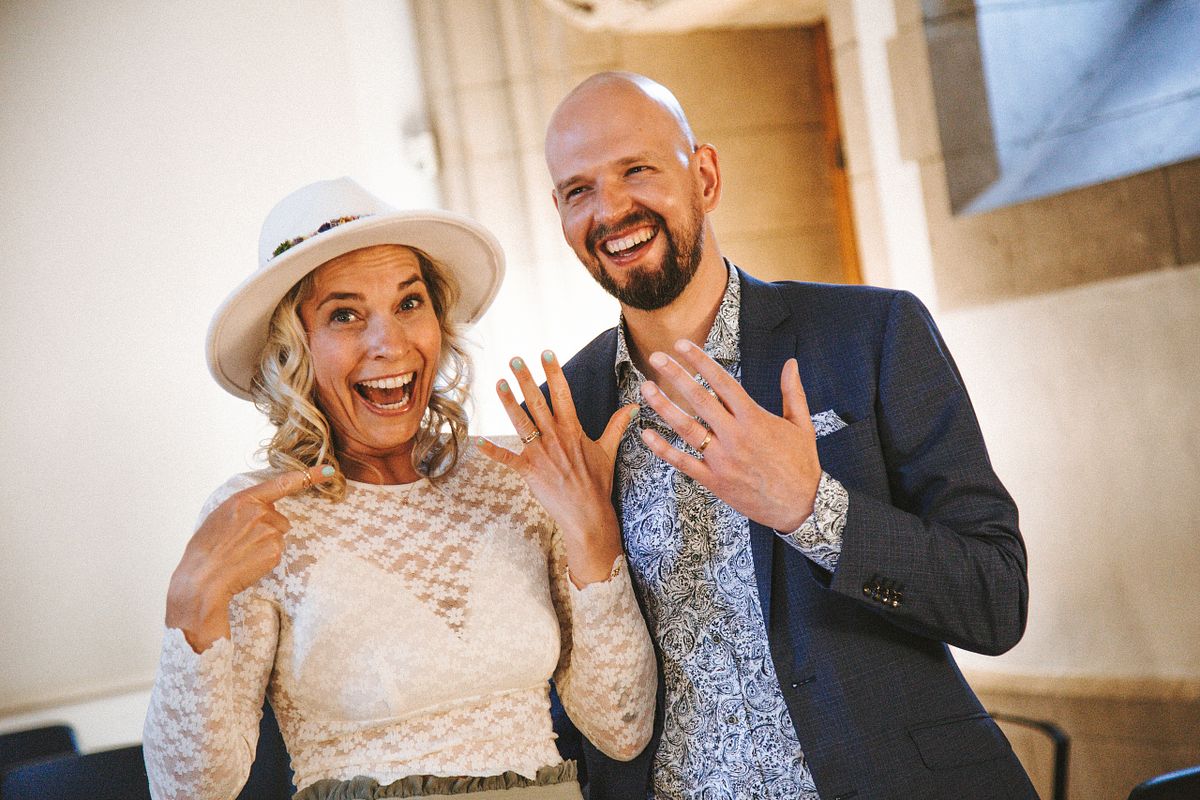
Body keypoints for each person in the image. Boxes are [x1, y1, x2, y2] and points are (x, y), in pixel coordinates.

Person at [540, 72, 1037, 799]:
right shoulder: (564, 417)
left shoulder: (872, 335)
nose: (611, 209)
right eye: (578, 189)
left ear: (704, 176)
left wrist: (814, 510)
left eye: (637, 169)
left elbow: (996, 599)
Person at [142, 177, 656, 800]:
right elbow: (191, 791)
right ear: (293, 347)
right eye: (345, 315)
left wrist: (593, 531)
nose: (389, 344)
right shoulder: (258, 515)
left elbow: (621, 728)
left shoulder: (515, 477)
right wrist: (190, 603)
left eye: (409, 304)